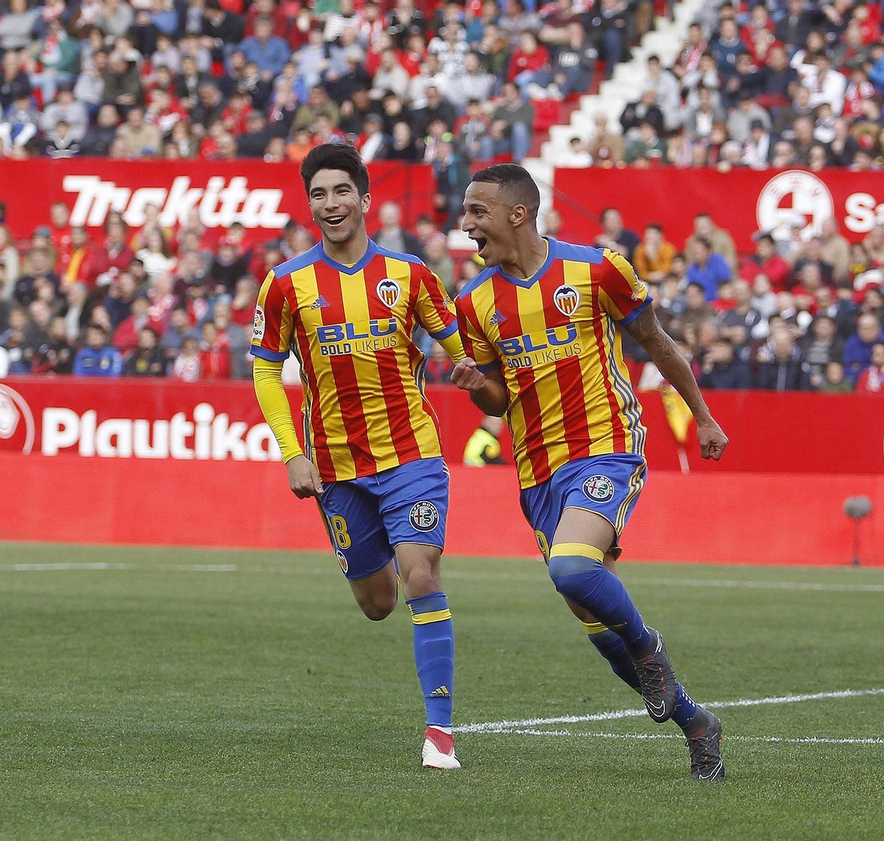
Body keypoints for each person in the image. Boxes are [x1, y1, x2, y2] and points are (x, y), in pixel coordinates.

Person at [450, 163, 729, 780]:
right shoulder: (473, 303)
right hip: (536, 472)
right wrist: (477, 387)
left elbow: (657, 344)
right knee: (590, 614)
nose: (465, 224)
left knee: (573, 568)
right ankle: (697, 723)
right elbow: (498, 397)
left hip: (606, 445)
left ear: (518, 213)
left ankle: (650, 647)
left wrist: (702, 417)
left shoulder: (597, 269)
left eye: (477, 212)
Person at [250, 143, 468, 771]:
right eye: (318, 194)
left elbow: (459, 349)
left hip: (412, 457)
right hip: (338, 470)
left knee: (421, 574)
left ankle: (440, 732)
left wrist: (481, 379)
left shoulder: (412, 276)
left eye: (341, 191)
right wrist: (293, 454)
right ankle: (391, 564)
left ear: (365, 199)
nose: (330, 204)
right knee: (377, 603)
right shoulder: (286, 283)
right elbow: (267, 373)